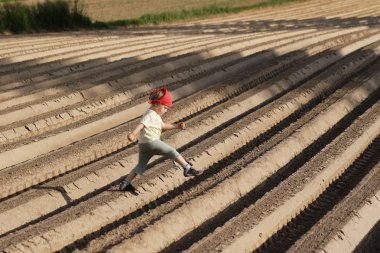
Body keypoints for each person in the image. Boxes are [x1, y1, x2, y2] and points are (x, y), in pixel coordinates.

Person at [119, 86, 203, 192]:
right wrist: (133, 133)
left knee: (140, 166)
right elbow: (142, 124)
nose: (166, 110)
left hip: (144, 146)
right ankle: (187, 168)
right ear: (157, 104)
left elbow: (163, 126)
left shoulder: (155, 115)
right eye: (165, 108)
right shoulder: (150, 114)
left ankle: (125, 183)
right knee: (171, 151)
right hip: (152, 142)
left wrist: (176, 126)